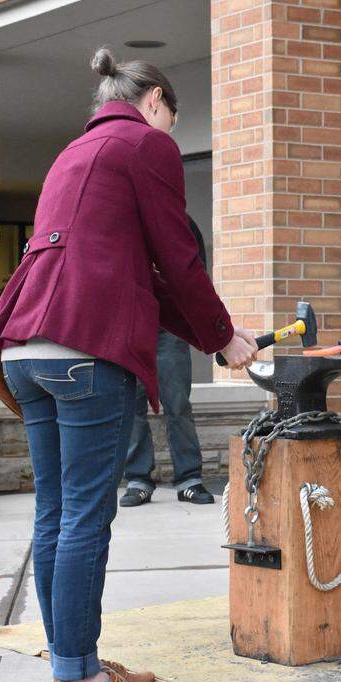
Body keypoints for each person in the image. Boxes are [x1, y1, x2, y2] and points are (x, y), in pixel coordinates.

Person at [0, 48, 256, 682]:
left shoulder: (71, 156)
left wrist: (218, 339)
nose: (170, 132)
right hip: (85, 352)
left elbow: (139, 275)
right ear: (155, 101)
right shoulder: (146, 147)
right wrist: (221, 335)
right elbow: (179, 262)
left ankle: (68, 662)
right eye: (172, 118)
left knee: (55, 513)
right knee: (84, 515)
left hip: (24, 349)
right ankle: (79, 676)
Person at [121, 214, 216, 507]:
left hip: (169, 325)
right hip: (129, 323)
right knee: (131, 404)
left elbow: (196, 277)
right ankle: (138, 480)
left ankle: (189, 479)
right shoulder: (123, 217)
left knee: (177, 403)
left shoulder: (183, 222)